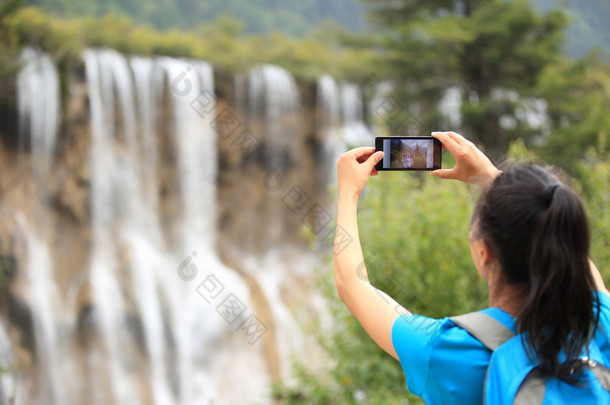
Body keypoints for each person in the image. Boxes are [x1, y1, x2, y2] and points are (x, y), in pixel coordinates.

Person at [333, 131, 610, 403]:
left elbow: (352, 285)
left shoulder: (449, 351)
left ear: (484, 253)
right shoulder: (597, 322)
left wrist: (348, 191)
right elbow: (567, 244)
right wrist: (496, 180)